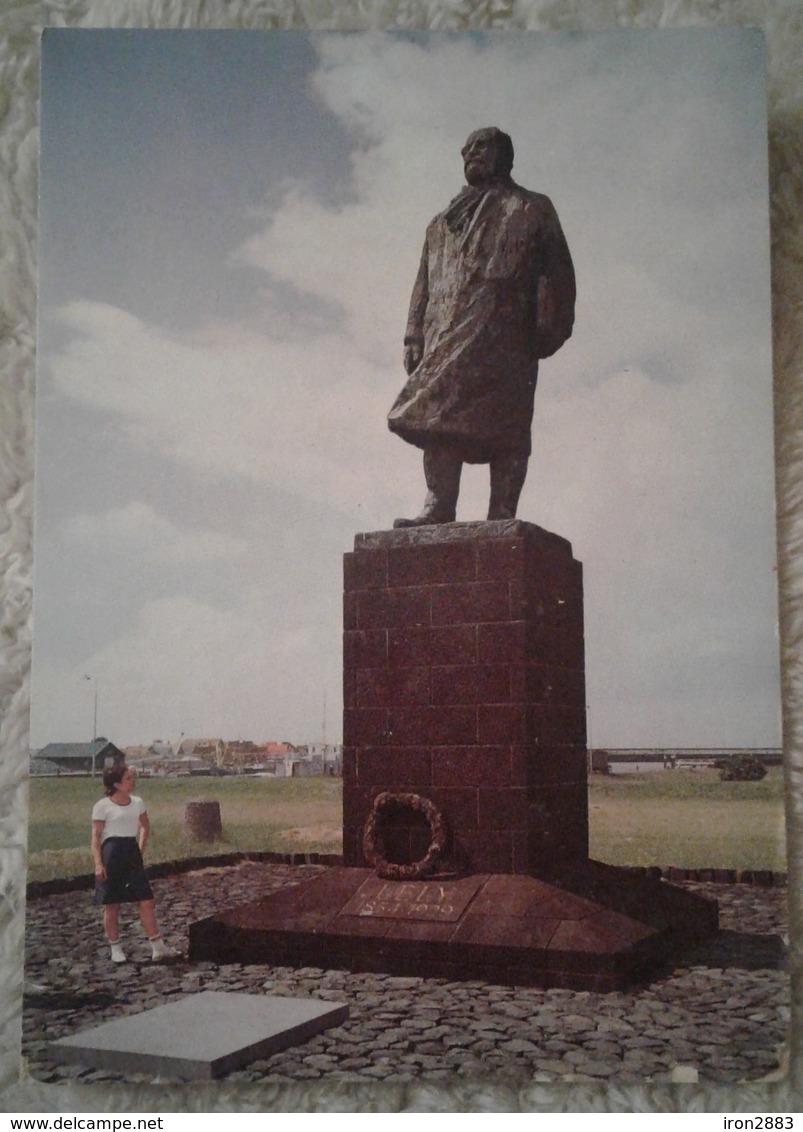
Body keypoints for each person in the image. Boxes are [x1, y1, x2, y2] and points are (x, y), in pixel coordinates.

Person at [388, 127, 576, 526]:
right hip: (448, 332)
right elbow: (423, 281)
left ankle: (502, 511)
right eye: (466, 149)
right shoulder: (441, 223)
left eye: (480, 147)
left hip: (506, 335)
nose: (470, 154)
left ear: (503, 156)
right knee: (438, 417)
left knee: (507, 426)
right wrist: (413, 334)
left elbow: (558, 271)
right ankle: (439, 505)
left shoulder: (532, 208)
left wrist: (550, 323)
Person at [91, 763, 174, 963]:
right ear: (117, 784)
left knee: (146, 901)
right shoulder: (102, 806)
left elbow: (145, 826)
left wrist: (140, 848)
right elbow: (95, 837)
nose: (132, 781)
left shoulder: (138, 802)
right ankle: (115, 948)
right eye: (128, 778)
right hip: (111, 854)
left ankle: (158, 947)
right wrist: (98, 864)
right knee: (112, 904)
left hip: (131, 853)